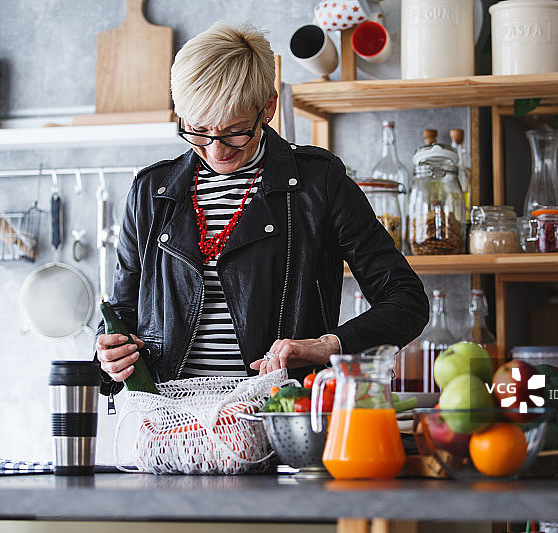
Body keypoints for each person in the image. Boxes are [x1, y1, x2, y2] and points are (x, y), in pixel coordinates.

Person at [94, 21, 429, 396]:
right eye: (198, 129)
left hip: (280, 413)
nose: (216, 150)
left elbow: (407, 301)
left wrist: (328, 345)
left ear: (268, 107)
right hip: (169, 416)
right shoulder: (150, 191)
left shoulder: (321, 183)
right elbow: (121, 314)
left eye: (235, 130)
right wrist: (109, 353)